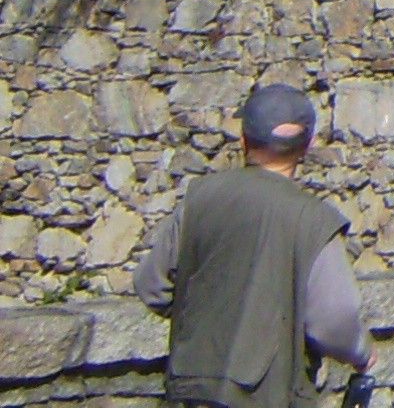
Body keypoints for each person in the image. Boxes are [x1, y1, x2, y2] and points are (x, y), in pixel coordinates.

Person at [133, 83, 375, 408]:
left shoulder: (199, 197)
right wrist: (361, 353)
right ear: (308, 145)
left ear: (244, 139)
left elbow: (152, 287)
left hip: (190, 390)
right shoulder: (314, 220)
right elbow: (333, 322)